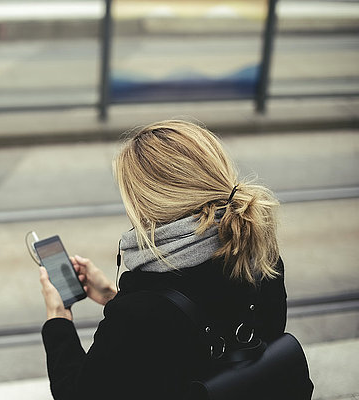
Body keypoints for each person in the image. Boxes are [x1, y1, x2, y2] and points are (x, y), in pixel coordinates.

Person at [38, 120, 287, 399]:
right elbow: (198, 319)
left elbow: (79, 394)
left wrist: (58, 319)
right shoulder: (258, 255)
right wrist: (112, 295)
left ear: (148, 203)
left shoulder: (136, 314)